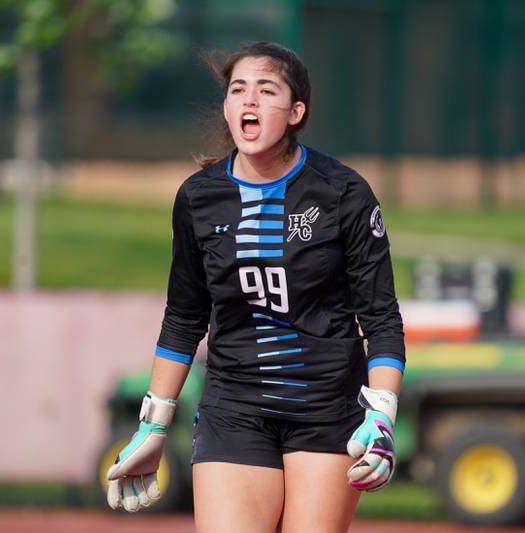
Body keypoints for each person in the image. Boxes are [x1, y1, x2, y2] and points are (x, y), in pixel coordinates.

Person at [105, 41, 405, 533]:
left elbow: (381, 317)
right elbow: (183, 317)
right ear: (226, 107)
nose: (249, 101)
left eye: (267, 91)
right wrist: (154, 424)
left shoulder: (343, 192)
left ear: (295, 112)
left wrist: (384, 417)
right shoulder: (198, 198)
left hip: (327, 410)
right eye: (238, 90)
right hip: (234, 408)